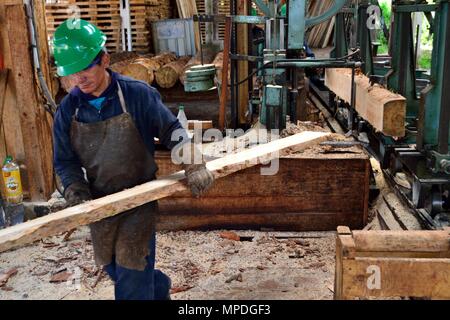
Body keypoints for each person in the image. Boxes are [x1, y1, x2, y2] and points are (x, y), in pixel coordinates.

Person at [52, 19, 214, 300]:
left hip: (140, 200)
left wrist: (194, 162)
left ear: (104, 59)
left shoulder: (137, 94)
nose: (79, 79)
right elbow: (65, 161)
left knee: (131, 273)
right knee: (116, 267)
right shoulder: (68, 111)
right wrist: (75, 191)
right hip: (100, 203)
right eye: (73, 72)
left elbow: (171, 130)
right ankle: (159, 288)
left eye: (86, 68)